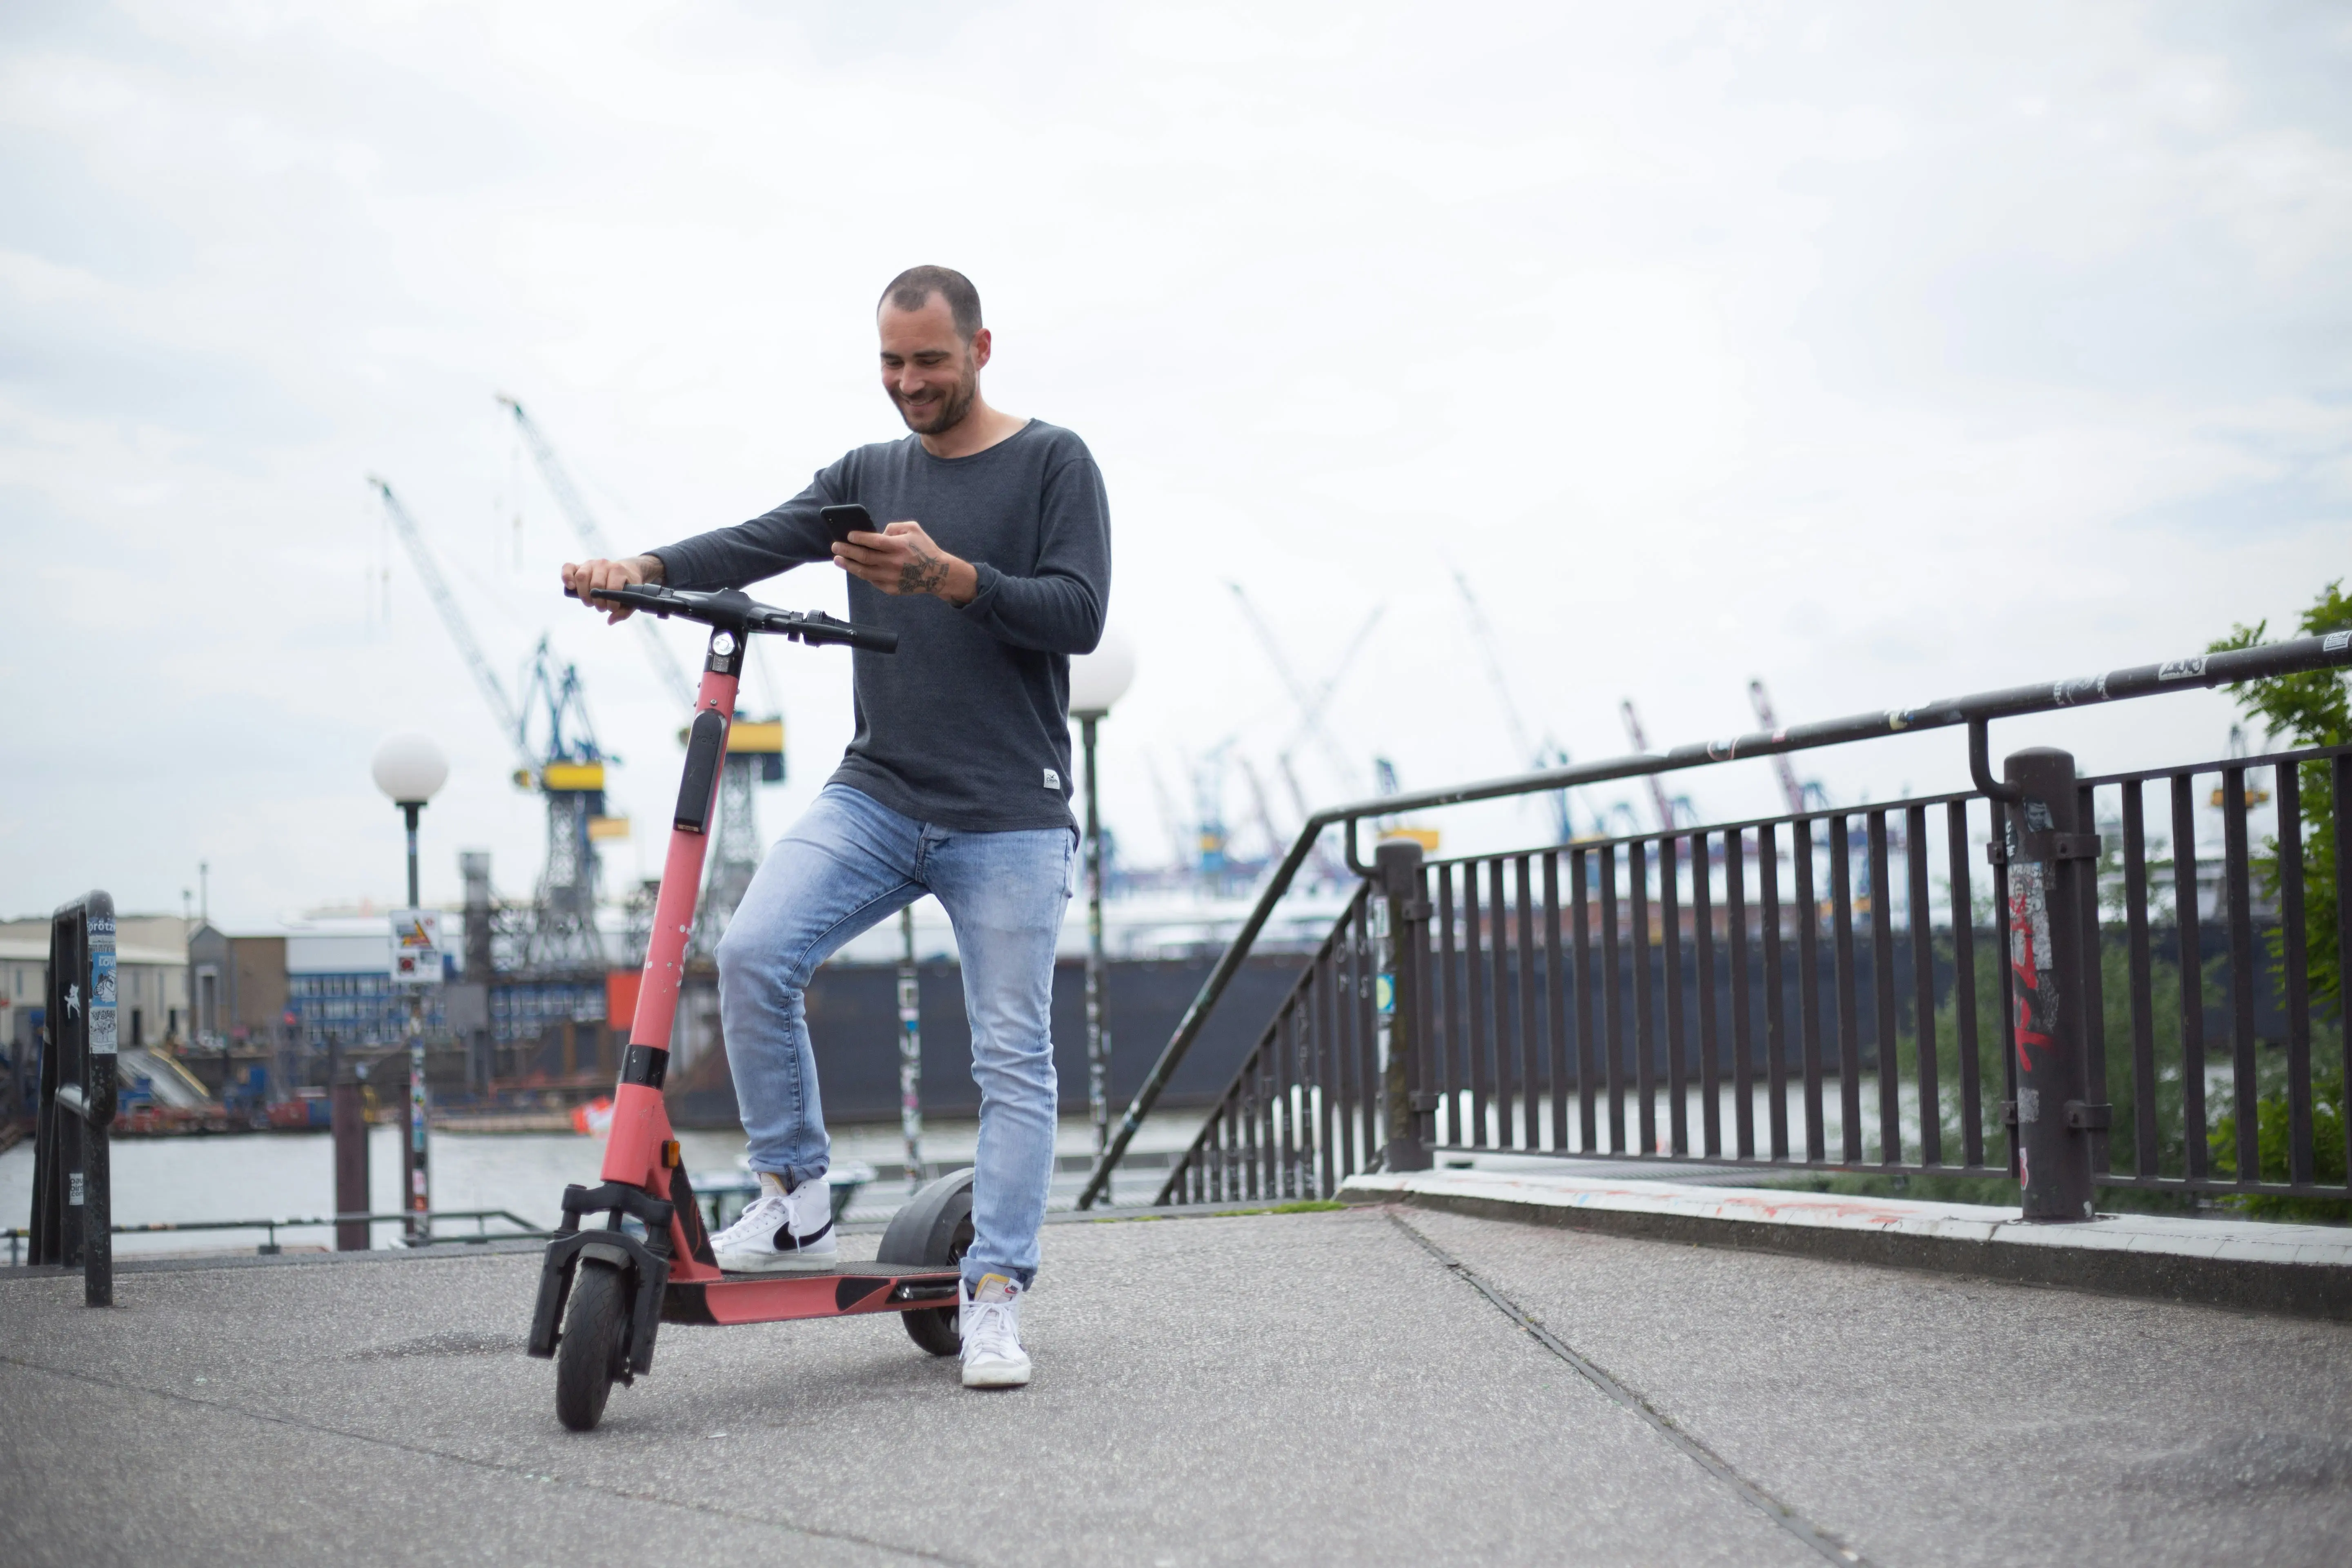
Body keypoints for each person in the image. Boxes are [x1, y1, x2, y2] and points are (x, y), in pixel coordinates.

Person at [561, 266, 1110, 1389]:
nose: (909, 383)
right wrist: (649, 571)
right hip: (880, 790)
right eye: (891, 364)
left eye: (931, 362)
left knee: (1011, 1052)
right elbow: (764, 539)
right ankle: (797, 1193)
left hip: (1010, 813)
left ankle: (995, 1292)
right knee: (755, 951)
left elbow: (1080, 612)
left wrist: (951, 576)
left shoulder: (1054, 460)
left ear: (982, 349)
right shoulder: (872, 474)